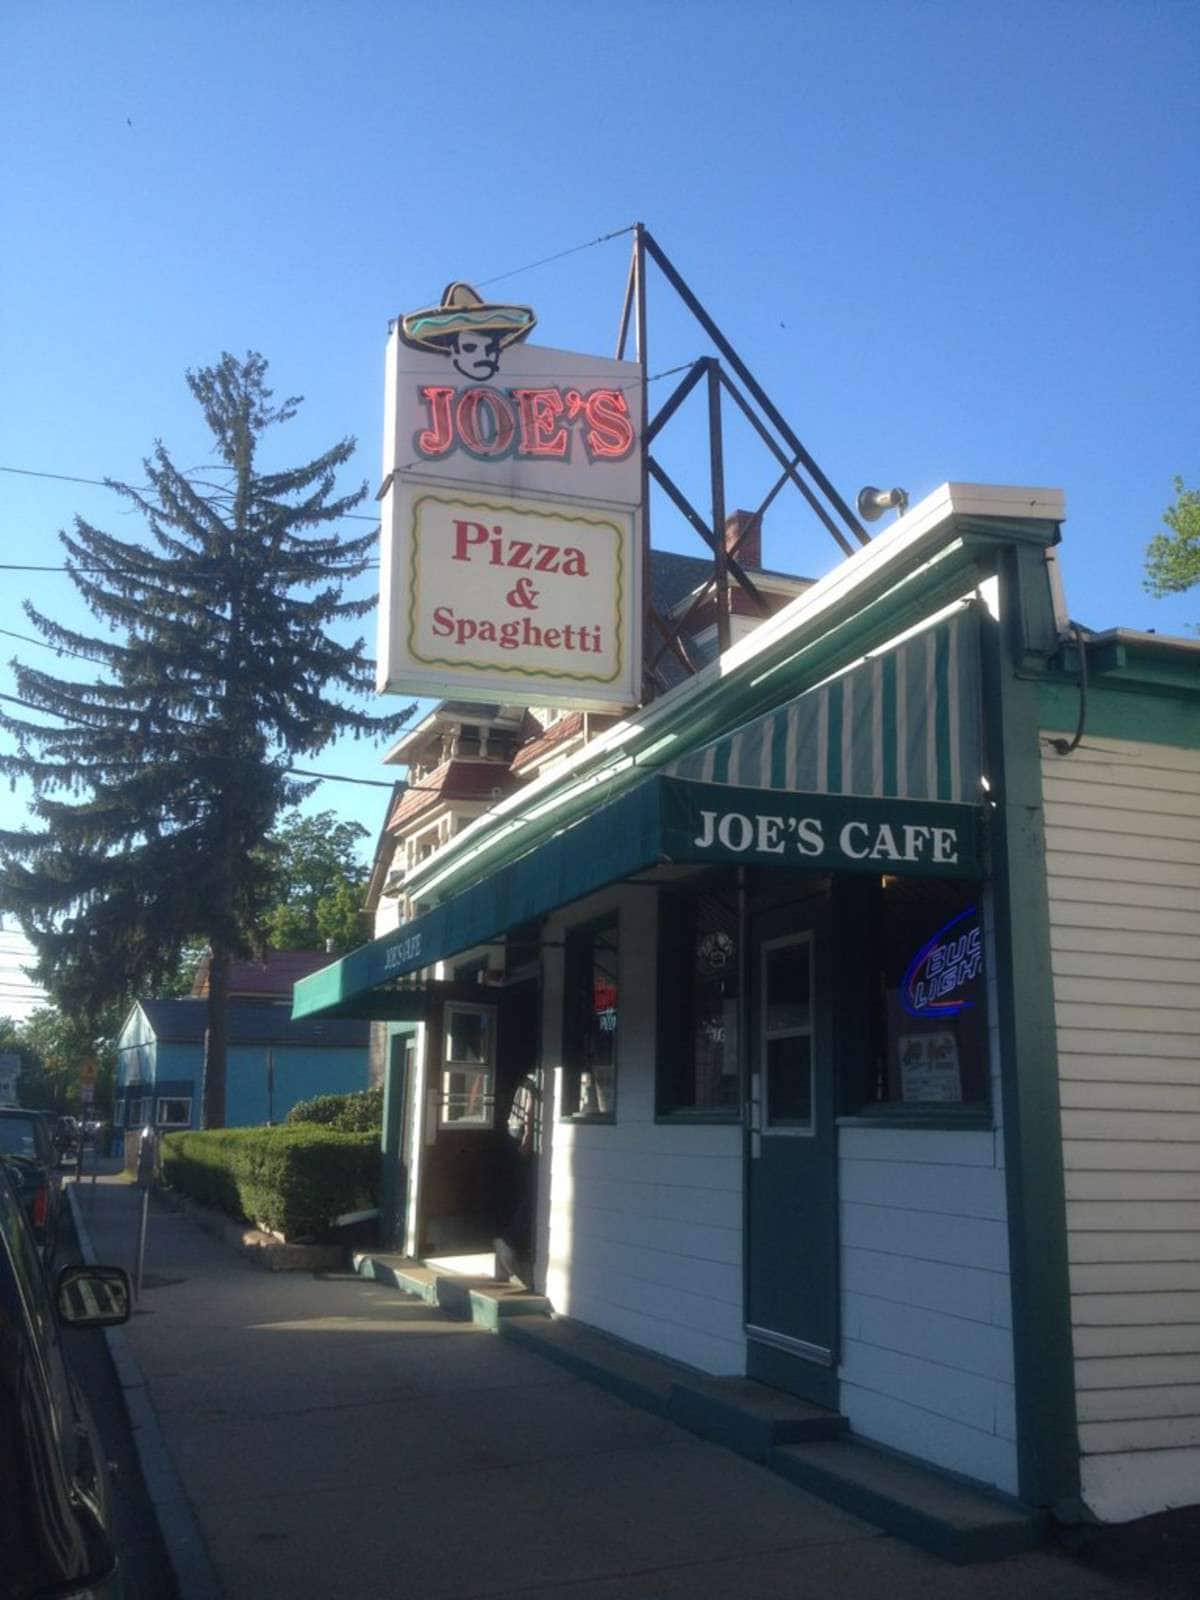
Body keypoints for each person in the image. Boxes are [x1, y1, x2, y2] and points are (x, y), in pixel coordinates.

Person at [494, 1071, 538, 1285]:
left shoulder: (523, 1079)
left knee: (519, 1191)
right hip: (521, 1136)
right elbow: (529, 1110)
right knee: (532, 1194)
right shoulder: (534, 1081)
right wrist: (529, 1137)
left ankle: (501, 1264)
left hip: (511, 1133)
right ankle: (510, 1242)